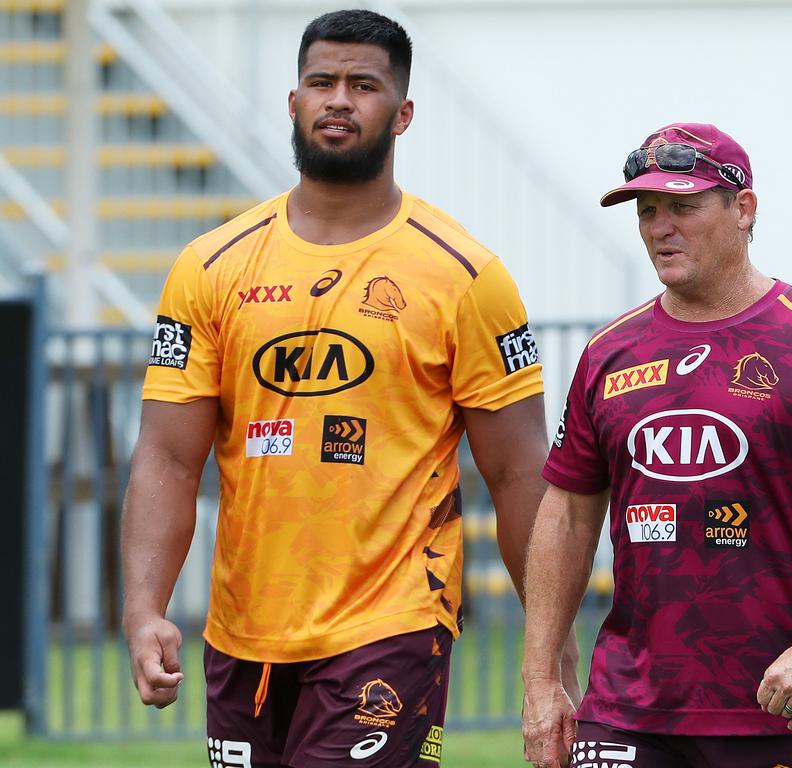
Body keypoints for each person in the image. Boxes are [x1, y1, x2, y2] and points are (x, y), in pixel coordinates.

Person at [121, 10, 578, 767]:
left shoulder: (465, 276)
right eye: (321, 82)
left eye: (363, 85)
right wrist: (143, 612)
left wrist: (550, 650)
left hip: (393, 626)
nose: (339, 99)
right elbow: (168, 459)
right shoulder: (210, 266)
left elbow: (521, 472)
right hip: (242, 636)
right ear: (292, 102)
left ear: (402, 115)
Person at [522, 123, 792, 768]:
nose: (659, 228)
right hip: (626, 709)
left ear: (744, 208)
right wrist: (540, 684)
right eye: (646, 210)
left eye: (684, 205)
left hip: (780, 703)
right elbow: (565, 515)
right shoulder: (609, 353)